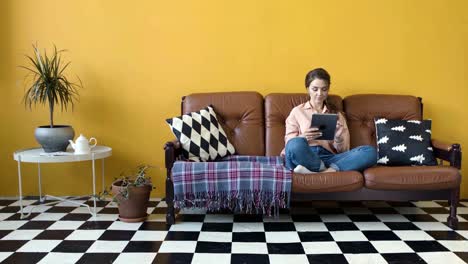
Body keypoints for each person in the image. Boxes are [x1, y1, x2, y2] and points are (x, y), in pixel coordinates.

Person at [283, 68, 377, 174]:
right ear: (307, 88)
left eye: (324, 89)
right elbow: (289, 144)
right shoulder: (297, 111)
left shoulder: (337, 115)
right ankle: (321, 168)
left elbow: (344, 151)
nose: (319, 93)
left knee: (370, 152)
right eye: (315, 89)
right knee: (295, 143)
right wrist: (304, 137)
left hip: (329, 158)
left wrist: (338, 134)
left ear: (328, 90)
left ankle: (324, 171)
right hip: (305, 155)